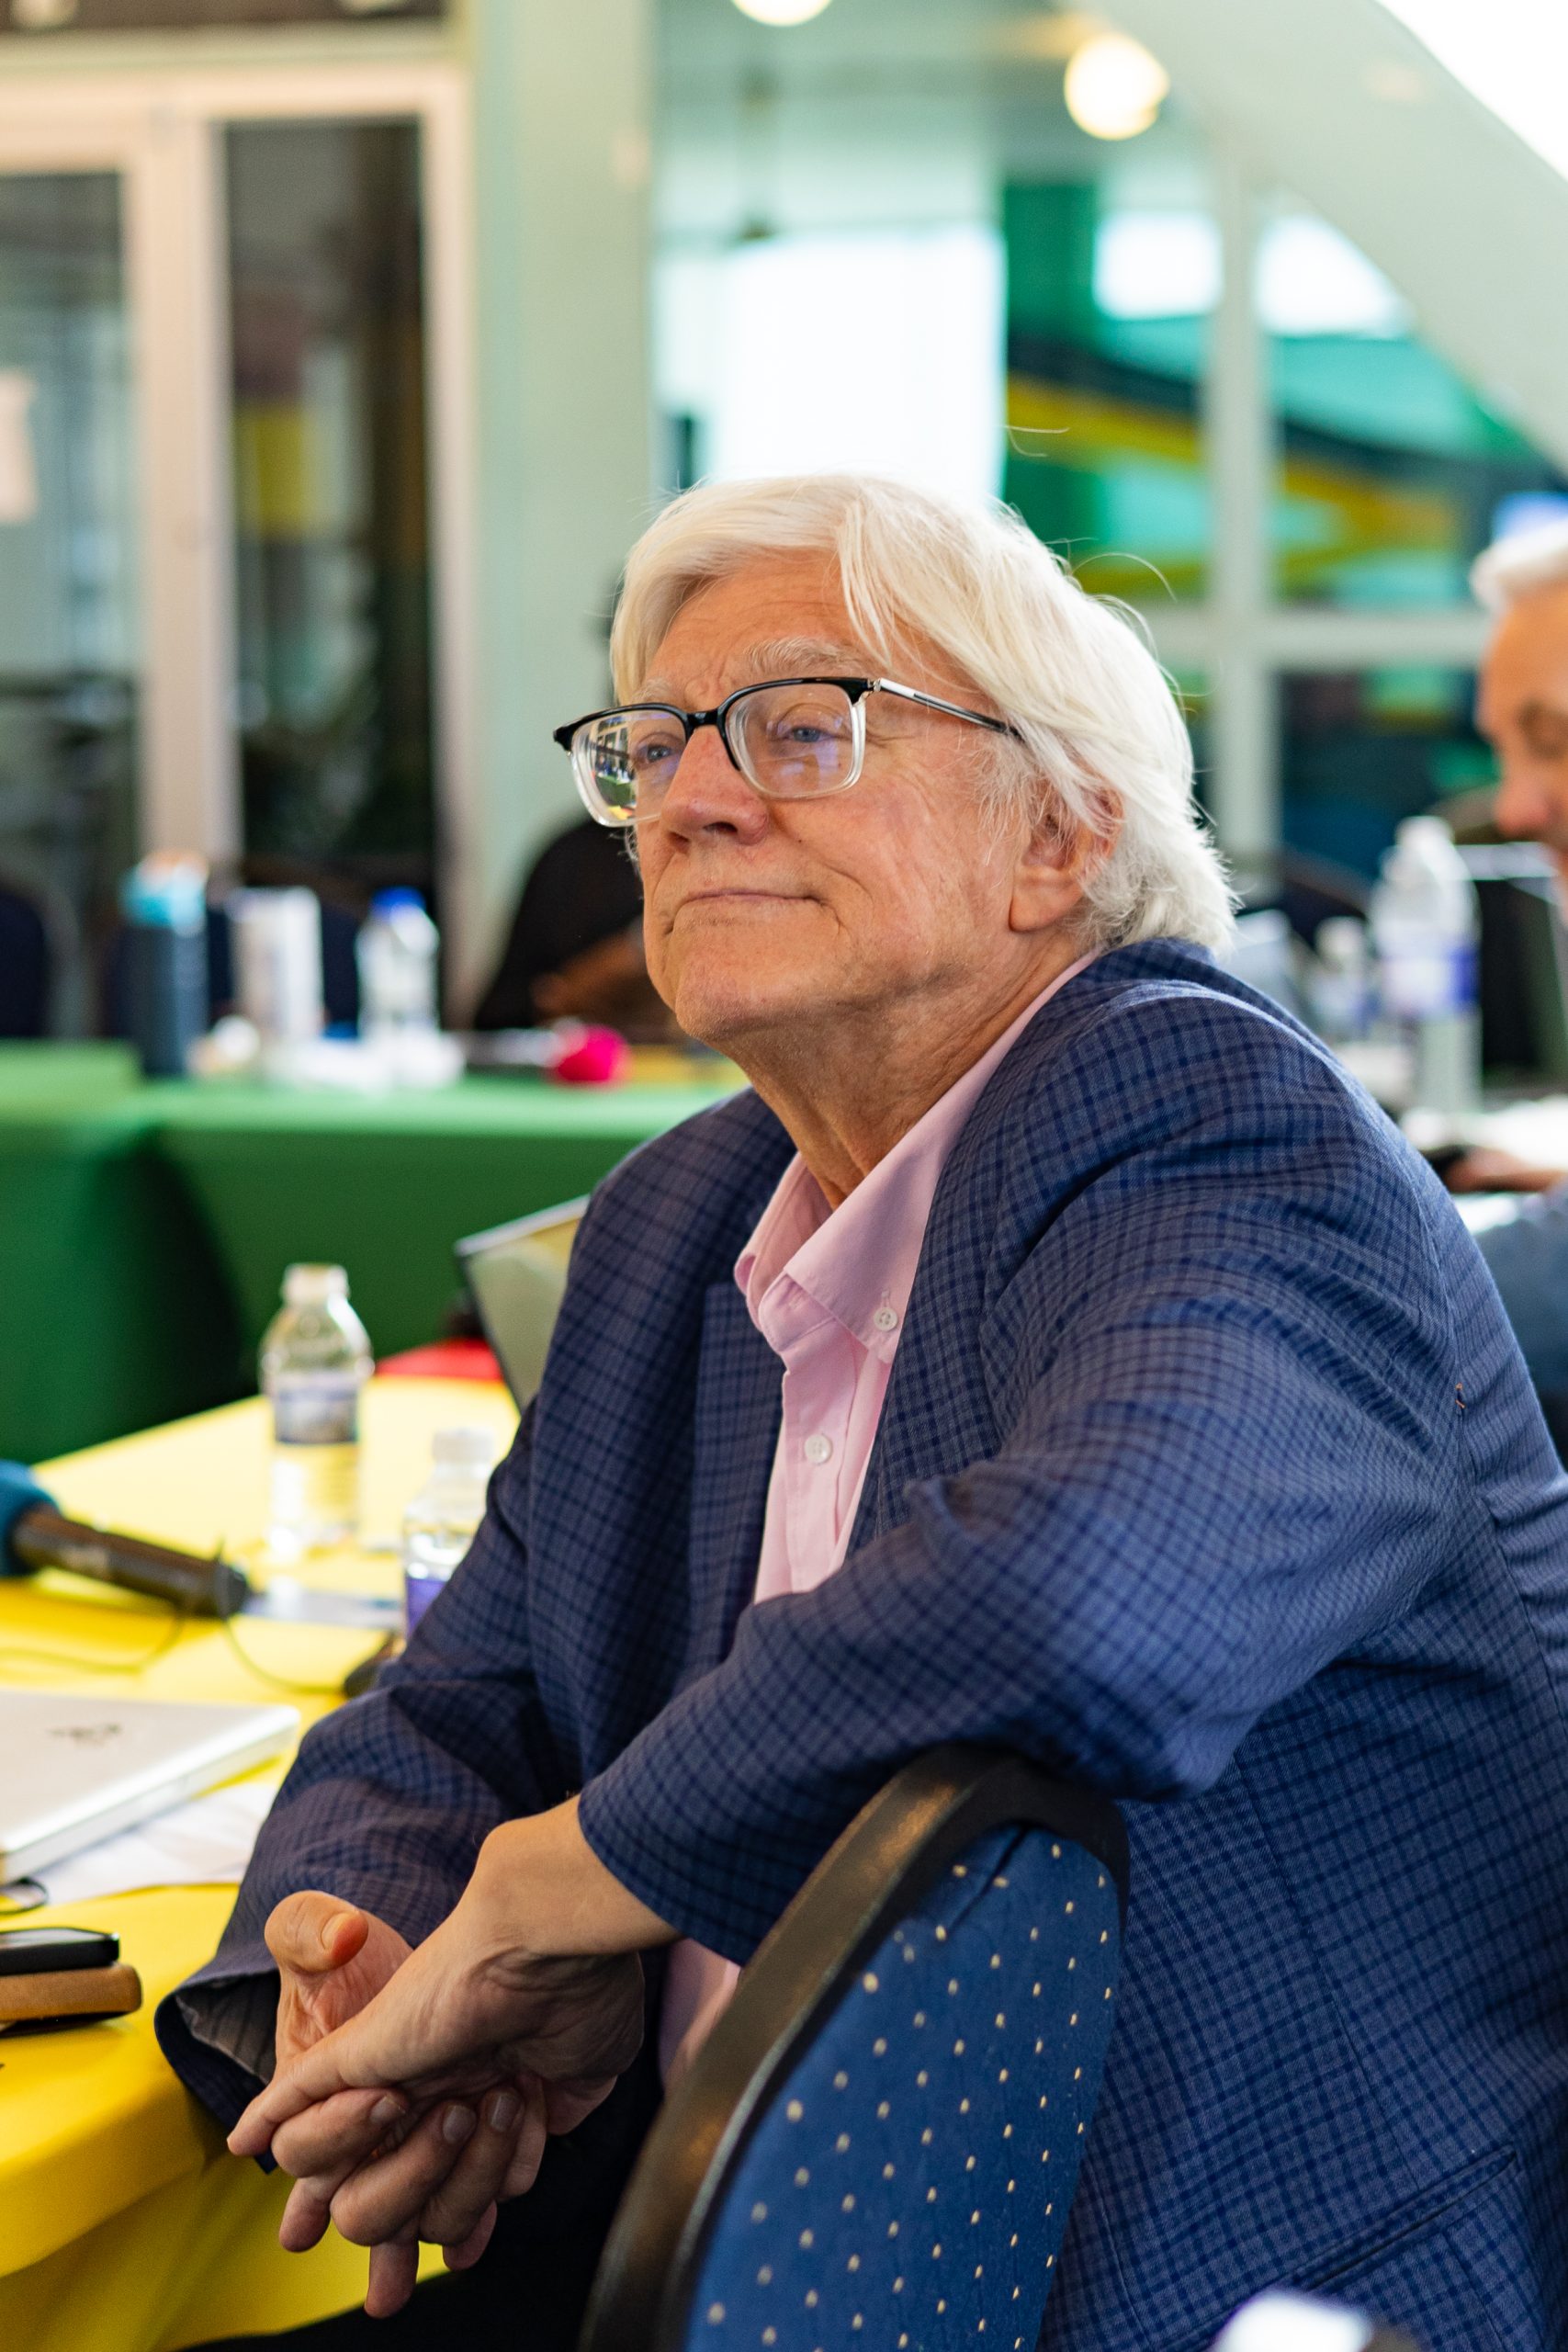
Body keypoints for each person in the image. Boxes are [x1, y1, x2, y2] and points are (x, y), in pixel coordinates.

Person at [159, 476, 1568, 2352]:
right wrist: (374, 1970)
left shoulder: (1223, 1126)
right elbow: (455, 1695)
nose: (688, 797)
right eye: (652, 744)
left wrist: (561, 1888)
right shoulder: (676, 1217)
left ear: (1058, 834)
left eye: (801, 729)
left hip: (1177, 2287)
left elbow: (1081, 1599)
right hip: (680, 2259)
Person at [470, 815, 676, 1036]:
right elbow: (500, 1013)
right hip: (571, 1042)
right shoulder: (570, 859)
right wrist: (558, 998)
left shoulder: (686, 847)